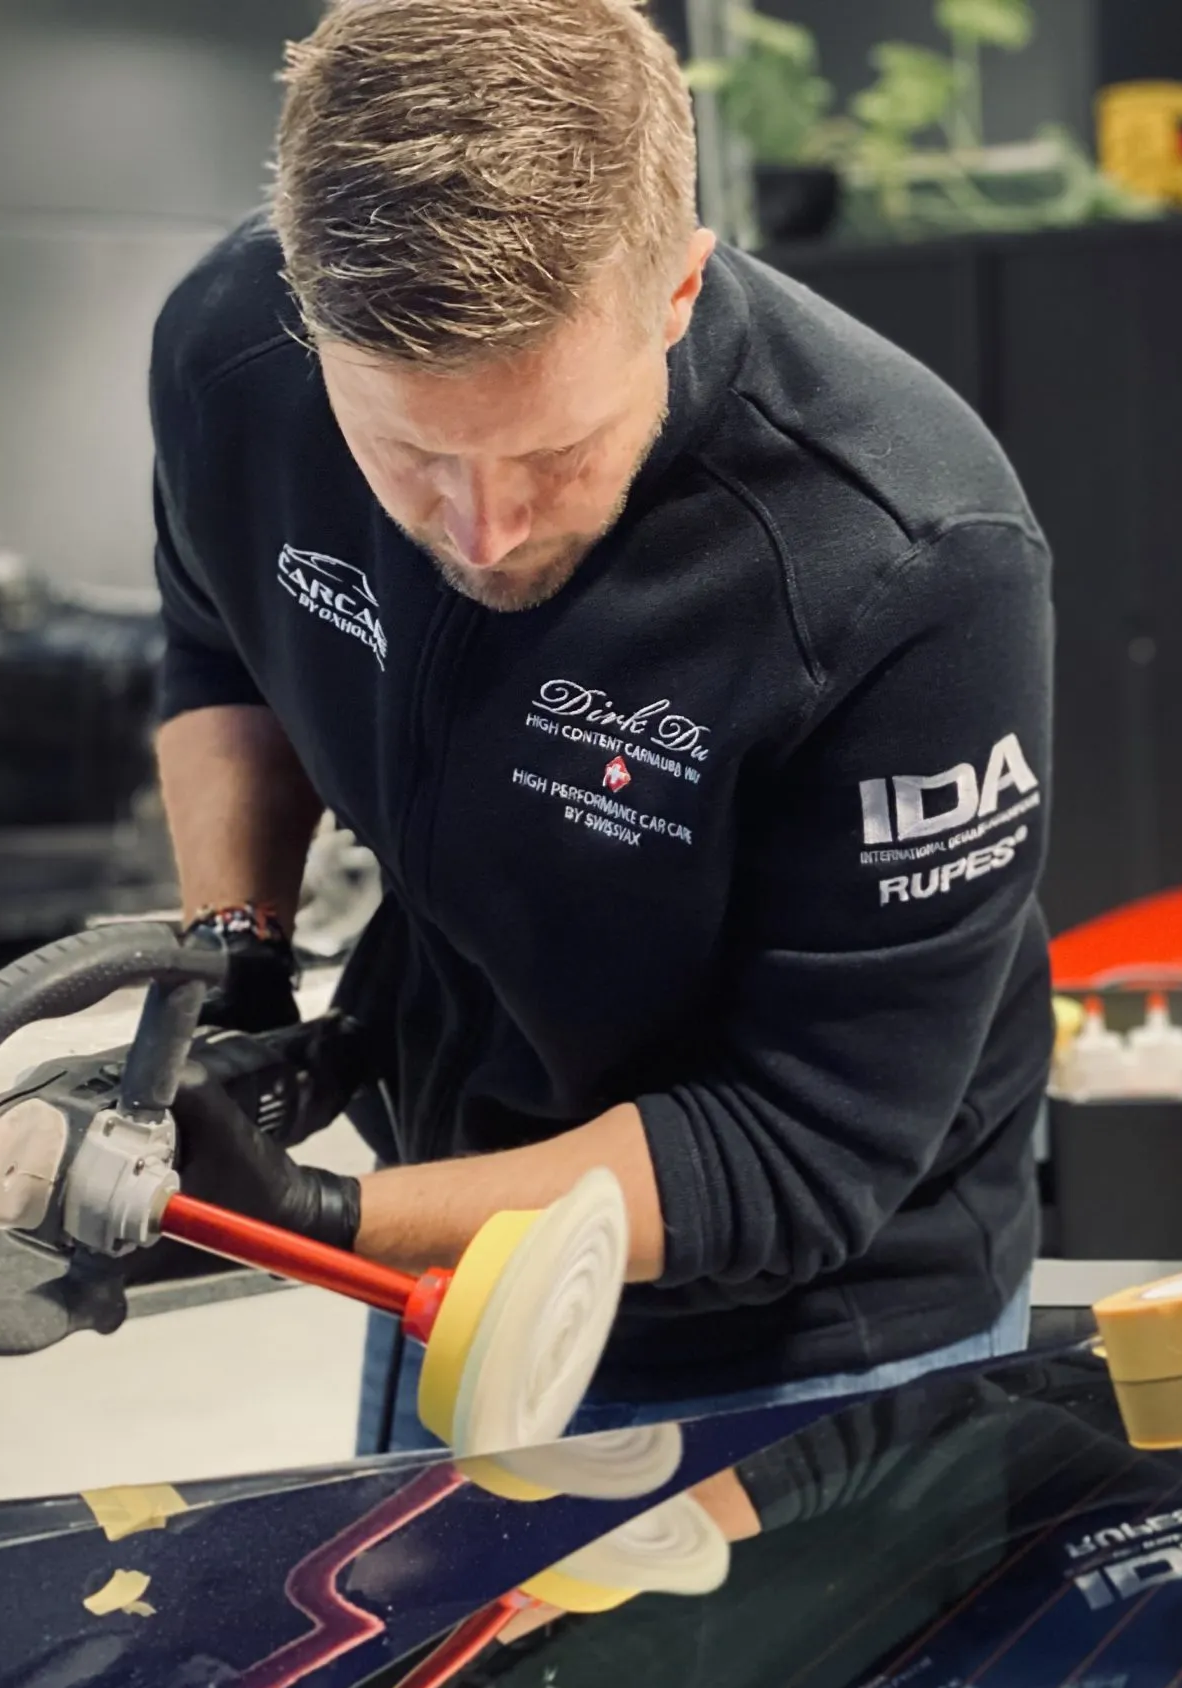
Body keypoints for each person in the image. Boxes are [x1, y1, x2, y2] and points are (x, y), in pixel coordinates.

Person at [145, 0, 1053, 1436]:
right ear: (304, 321)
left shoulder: (908, 553)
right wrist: (236, 965)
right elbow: (219, 643)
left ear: (678, 291)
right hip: (445, 1258)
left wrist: (320, 1213)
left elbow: (803, 1150)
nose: (485, 529)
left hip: (828, 1337)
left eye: (555, 450)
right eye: (409, 451)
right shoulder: (227, 362)